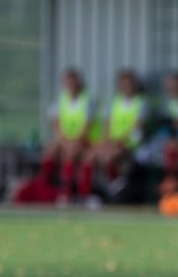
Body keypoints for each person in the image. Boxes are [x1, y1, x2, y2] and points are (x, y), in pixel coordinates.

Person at [78, 69, 146, 203]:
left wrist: (119, 141)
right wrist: (105, 142)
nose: (126, 88)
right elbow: (107, 127)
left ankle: (114, 185)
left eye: (129, 84)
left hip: (130, 144)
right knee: (89, 156)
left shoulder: (141, 103)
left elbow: (137, 129)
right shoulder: (114, 103)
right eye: (123, 85)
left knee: (109, 155)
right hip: (114, 142)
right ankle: (86, 195)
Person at [38, 68, 92, 204]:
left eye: (72, 83)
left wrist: (73, 141)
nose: (70, 86)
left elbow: (86, 127)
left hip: (81, 140)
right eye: (67, 83)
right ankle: (45, 189)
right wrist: (63, 140)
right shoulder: (61, 100)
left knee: (70, 153)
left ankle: (67, 192)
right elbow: (56, 124)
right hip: (65, 140)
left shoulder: (87, 100)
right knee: (50, 151)